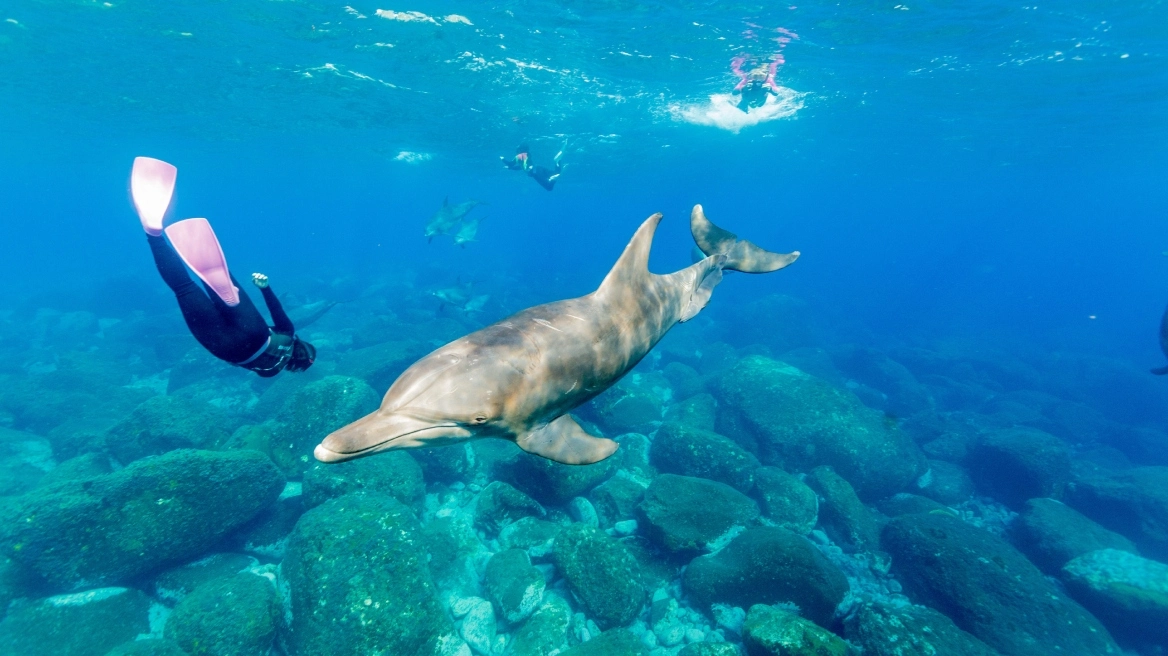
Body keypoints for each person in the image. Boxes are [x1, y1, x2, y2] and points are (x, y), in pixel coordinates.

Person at [130, 157, 315, 377]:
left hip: (255, 332)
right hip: (226, 348)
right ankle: (154, 234)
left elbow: (278, 311)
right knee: (183, 288)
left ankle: (223, 287)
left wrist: (264, 287)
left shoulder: (289, 333)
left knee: (217, 274)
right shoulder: (268, 372)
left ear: (300, 345)